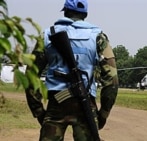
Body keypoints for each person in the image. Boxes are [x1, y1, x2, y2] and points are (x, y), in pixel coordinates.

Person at [25, 0, 119, 140]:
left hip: (57, 102)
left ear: (65, 11)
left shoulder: (46, 36)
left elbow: (30, 76)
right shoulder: (98, 37)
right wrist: (103, 114)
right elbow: (112, 80)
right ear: (85, 14)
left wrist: (38, 111)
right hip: (86, 103)